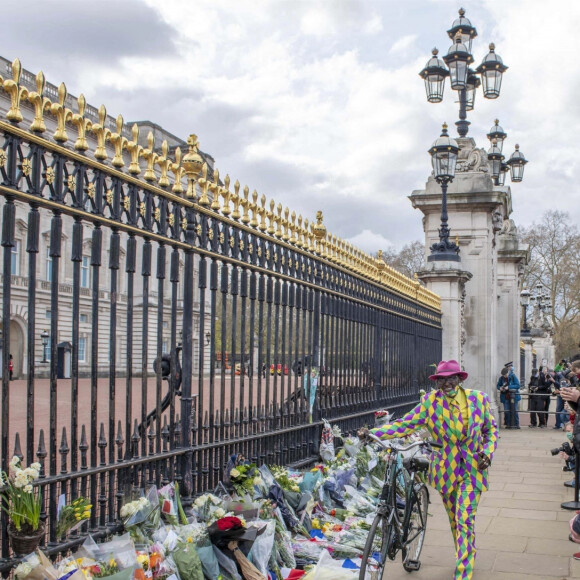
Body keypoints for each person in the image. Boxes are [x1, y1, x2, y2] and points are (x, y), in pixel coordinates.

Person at [359, 360, 497, 580]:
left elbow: (490, 431)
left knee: (464, 519)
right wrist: (375, 434)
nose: (447, 383)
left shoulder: (478, 399)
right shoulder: (430, 403)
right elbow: (404, 424)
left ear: (460, 379)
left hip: (473, 470)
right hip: (446, 471)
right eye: (442, 379)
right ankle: (465, 551)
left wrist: (487, 454)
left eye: (451, 378)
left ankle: (463, 573)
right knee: (455, 520)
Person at [496, 362, 521, 429]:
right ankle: (508, 424)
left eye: (505, 375)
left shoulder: (513, 376)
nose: (505, 376)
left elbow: (518, 385)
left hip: (513, 397)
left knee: (514, 410)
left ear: (508, 372)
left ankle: (517, 424)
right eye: (504, 375)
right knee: (507, 411)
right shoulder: (501, 378)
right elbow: (498, 385)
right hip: (505, 397)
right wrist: (500, 388)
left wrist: (509, 387)